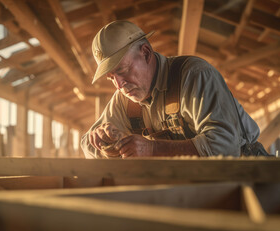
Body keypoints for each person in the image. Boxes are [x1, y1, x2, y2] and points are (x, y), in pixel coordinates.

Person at [81, 20, 268, 159]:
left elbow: (226, 145)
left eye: (122, 70)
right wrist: (105, 143)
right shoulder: (124, 99)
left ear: (145, 53)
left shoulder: (194, 75)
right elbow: (86, 145)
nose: (119, 85)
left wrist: (152, 149)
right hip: (188, 188)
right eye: (112, 77)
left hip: (244, 179)